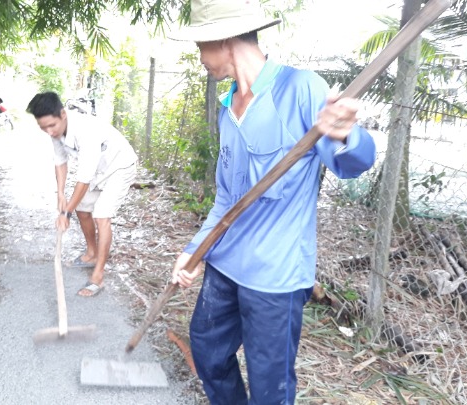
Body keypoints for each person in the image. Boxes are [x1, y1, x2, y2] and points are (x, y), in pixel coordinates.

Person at [169, 0, 377, 403]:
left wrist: (346, 133)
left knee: (270, 385)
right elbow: (226, 199)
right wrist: (192, 251)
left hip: (276, 277)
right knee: (208, 351)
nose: (200, 58)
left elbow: (353, 164)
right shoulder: (228, 109)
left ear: (224, 40)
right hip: (225, 264)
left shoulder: (300, 88)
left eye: (200, 46)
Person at [27, 91, 138, 297]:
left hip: (119, 166)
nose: (49, 132)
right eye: (44, 128)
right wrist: (60, 194)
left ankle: (98, 275)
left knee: (101, 215)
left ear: (63, 114)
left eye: (52, 126)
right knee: (82, 209)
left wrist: (65, 213)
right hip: (98, 170)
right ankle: (92, 253)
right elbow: (60, 161)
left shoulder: (85, 130)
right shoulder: (56, 132)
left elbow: (84, 179)